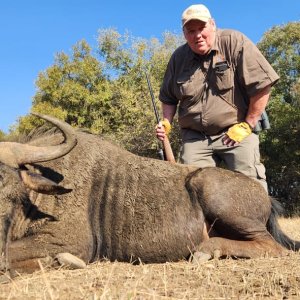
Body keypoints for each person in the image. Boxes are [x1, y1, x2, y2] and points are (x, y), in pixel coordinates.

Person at [156, 4, 279, 192]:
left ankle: (262, 222)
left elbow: (263, 85)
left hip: (236, 132)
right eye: (191, 31)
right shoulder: (178, 58)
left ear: (212, 24)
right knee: (190, 191)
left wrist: (248, 124)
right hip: (195, 137)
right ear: (184, 34)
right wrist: (166, 121)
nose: (197, 35)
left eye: (201, 28)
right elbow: (169, 97)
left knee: (251, 190)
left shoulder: (234, 41)